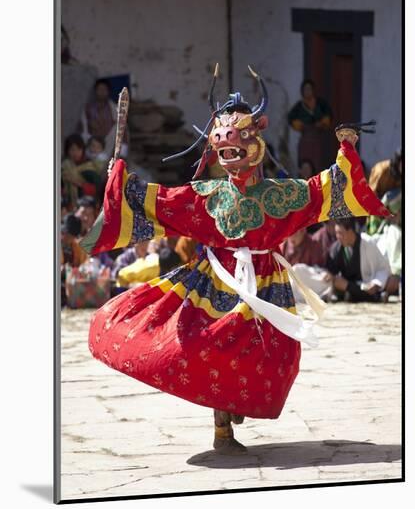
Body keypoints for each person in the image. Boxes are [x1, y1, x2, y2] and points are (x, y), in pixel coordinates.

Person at [80, 67, 389, 455]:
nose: (231, 149)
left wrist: (346, 150)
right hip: (217, 281)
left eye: (240, 139)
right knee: (209, 344)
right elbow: (159, 204)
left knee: (278, 357)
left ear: (255, 141)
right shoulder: (206, 195)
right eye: (223, 143)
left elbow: (325, 191)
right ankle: (222, 426)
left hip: (266, 285)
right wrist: (120, 182)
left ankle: (235, 403)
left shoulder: (280, 195)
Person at [326, 218, 397, 302]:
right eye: (336, 233)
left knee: (393, 281)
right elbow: (331, 271)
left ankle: (375, 296)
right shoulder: (336, 248)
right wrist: (330, 275)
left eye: (340, 233)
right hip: (348, 286)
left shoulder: (367, 243)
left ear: (350, 231)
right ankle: (376, 297)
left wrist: (376, 283)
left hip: (367, 284)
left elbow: (383, 268)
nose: (338, 237)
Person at [288, 79, 332, 171]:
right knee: (304, 164)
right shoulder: (299, 106)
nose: (307, 92)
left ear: (313, 90)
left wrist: (321, 123)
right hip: (305, 141)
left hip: (318, 140)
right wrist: (300, 125)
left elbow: (329, 116)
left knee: (318, 164)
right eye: (305, 89)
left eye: (309, 89)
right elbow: (290, 118)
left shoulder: (321, 104)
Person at [80, 79, 128, 158]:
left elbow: (122, 129)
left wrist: (123, 151)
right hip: (93, 144)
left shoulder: (115, 109)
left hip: (110, 143)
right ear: (95, 91)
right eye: (99, 89)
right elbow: (83, 126)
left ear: (108, 91)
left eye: (104, 89)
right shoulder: (88, 108)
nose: (102, 92)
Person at [61, 134, 103, 211]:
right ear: (67, 151)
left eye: (78, 149)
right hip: (66, 208)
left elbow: (97, 190)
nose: (76, 153)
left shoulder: (89, 167)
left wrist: (78, 183)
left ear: (83, 150)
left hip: (86, 209)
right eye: (72, 149)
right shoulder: (64, 167)